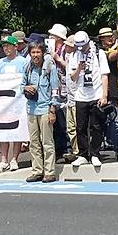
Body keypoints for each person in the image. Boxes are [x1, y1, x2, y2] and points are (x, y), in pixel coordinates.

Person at [69, 31, 109, 169]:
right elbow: (72, 78)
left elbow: (104, 74)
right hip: (80, 95)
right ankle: (83, 154)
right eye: (78, 46)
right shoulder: (74, 55)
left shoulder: (99, 53)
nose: (81, 49)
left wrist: (104, 95)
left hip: (96, 94)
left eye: (83, 46)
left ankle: (95, 154)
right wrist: (79, 68)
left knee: (96, 126)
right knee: (80, 127)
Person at [22, 42, 59, 183]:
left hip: (45, 108)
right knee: (34, 142)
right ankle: (37, 171)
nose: (35, 55)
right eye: (33, 52)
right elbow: (21, 86)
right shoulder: (27, 68)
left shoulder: (50, 67)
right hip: (31, 109)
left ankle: (49, 172)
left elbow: (55, 90)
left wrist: (52, 110)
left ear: (42, 53)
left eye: (38, 52)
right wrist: (26, 88)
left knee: (47, 142)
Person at [0, 35, 29, 175]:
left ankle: (14, 158)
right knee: (4, 131)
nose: (6, 48)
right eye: (4, 46)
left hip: (18, 101)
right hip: (4, 102)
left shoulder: (23, 62)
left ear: (15, 47)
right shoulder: (1, 63)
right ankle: (3, 159)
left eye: (8, 45)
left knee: (17, 130)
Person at [47, 23, 73, 162]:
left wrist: (57, 58)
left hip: (65, 88)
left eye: (53, 35)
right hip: (53, 88)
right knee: (56, 119)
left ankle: (68, 148)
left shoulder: (66, 49)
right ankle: (59, 148)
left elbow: (70, 67)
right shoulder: (50, 49)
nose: (50, 37)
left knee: (64, 120)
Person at [98, 27, 118, 157]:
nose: (110, 39)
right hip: (108, 91)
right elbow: (111, 57)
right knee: (114, 122)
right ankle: (117, 148)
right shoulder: (100, 51)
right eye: (107, 37)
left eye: (111, 36)